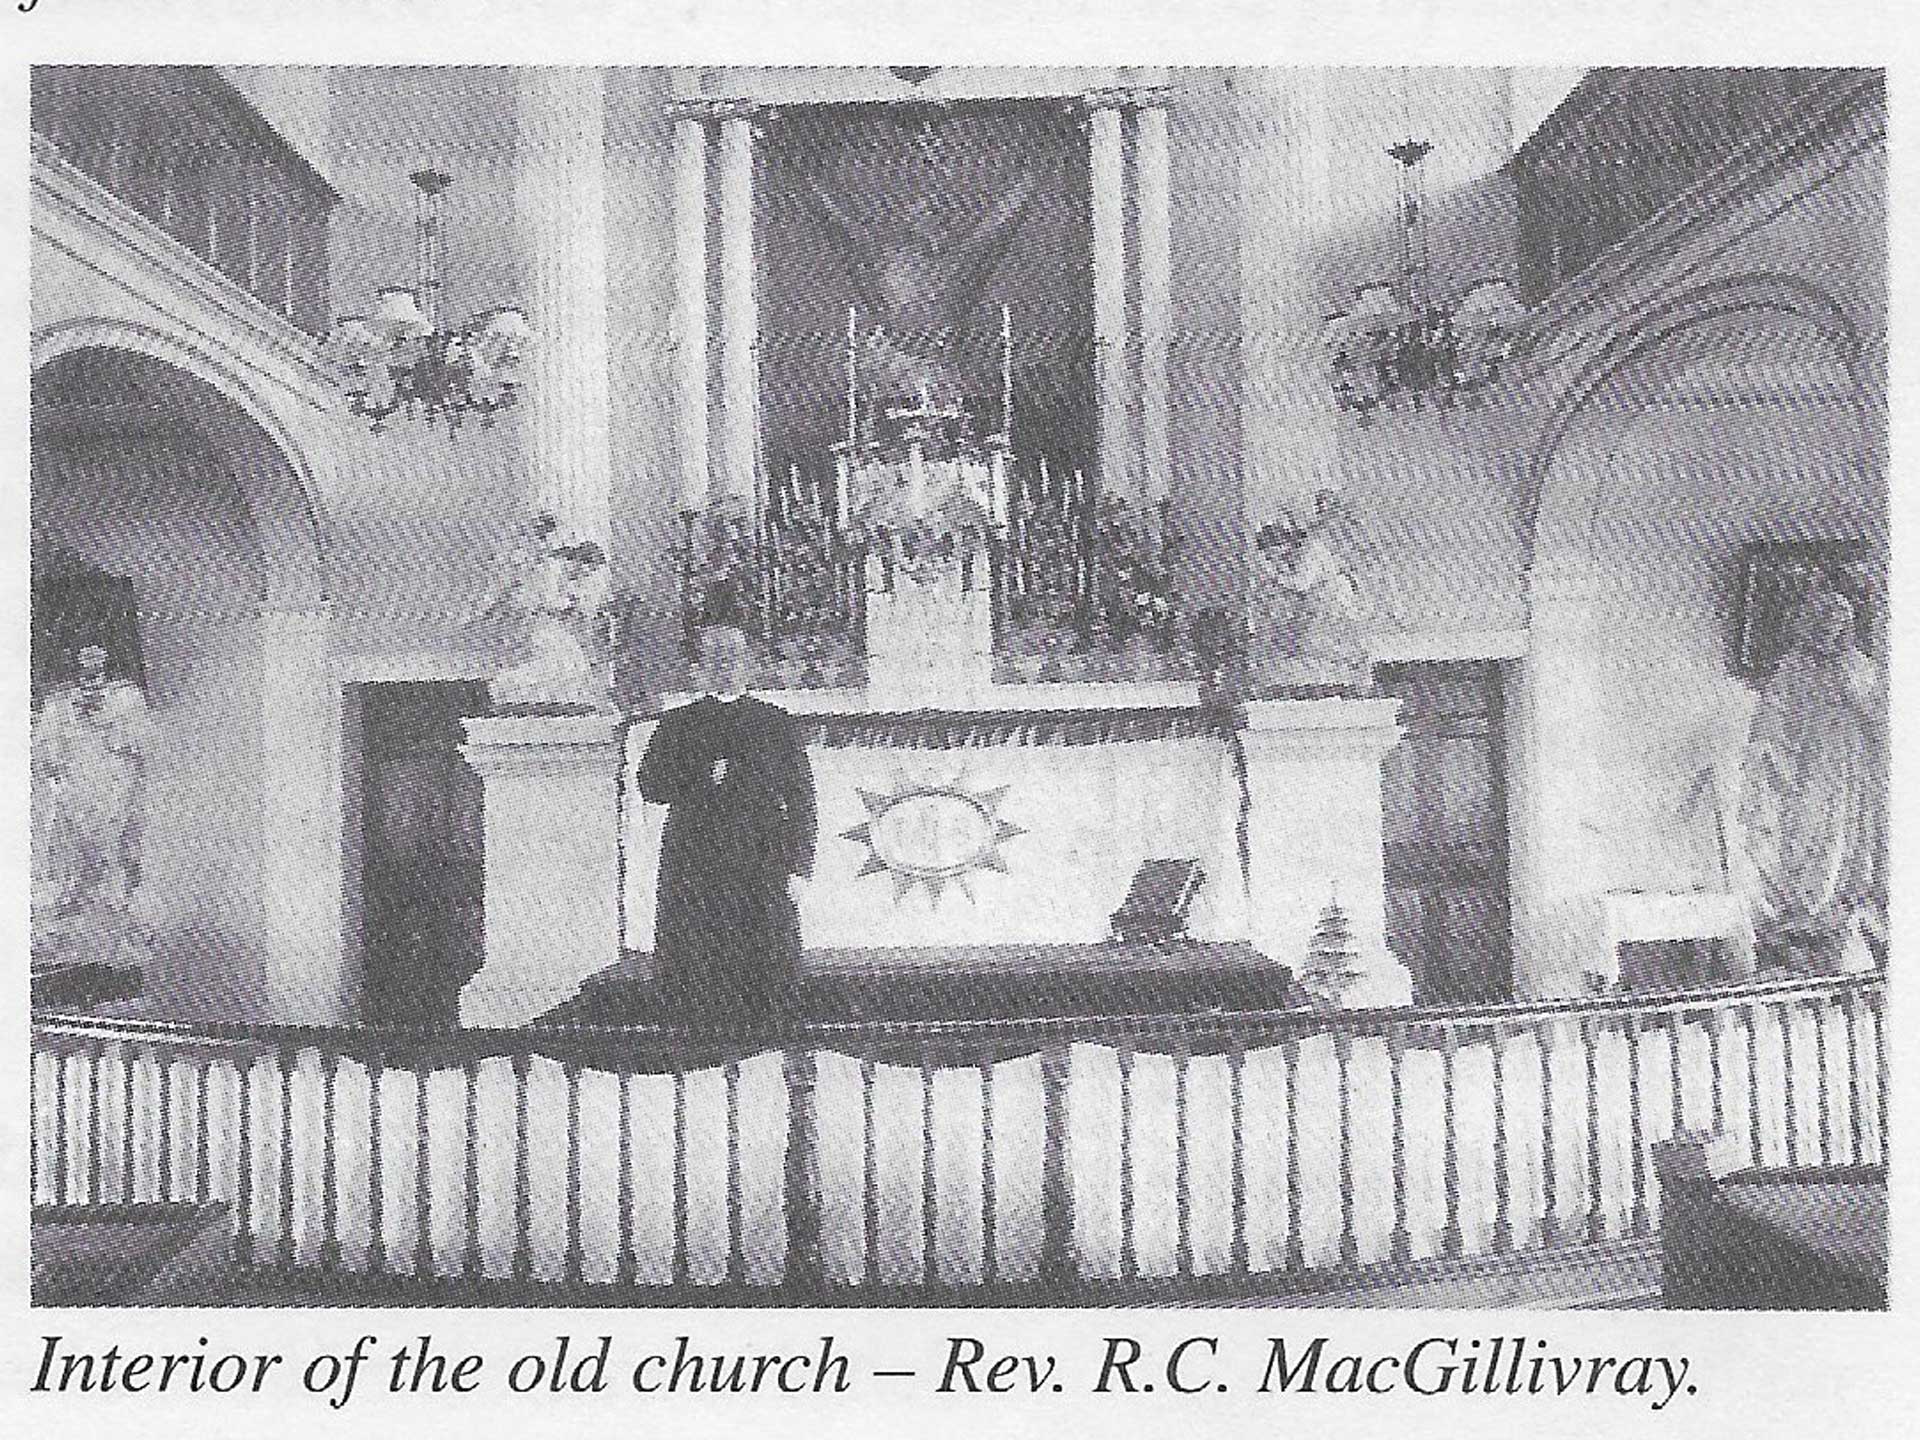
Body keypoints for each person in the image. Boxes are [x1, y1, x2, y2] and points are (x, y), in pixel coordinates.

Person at [636, 591, 818, 1027]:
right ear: (697, 666)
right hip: (696, 860)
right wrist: (700, 777)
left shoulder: (776, 721)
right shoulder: (679, 722)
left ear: (749, 662)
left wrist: (797, 864)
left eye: (733, 655)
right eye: (714, 656)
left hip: (761, 859)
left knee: (764, 960)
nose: (725, 665)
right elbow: (650, 785)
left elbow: (802, 798)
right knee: (697, 956)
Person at [1737, 583, 1886, 974]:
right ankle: (1803, 910)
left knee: (1843, 836)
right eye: (1821, 623)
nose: (1829, 632)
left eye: (1836, 625)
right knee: (1806, 835)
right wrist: (1765, 753)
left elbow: (1883, 722)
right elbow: (1769, 723)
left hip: (1848, 770)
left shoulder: (1859, 666)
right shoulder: (1793, 668)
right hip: (1805, 773)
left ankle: (1838, 910)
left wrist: (1854, 700)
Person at [32, 643, 159, 972]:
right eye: (84, 664)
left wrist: (106, 722)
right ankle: (75, 935)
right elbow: (46, 754)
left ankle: (115, 942)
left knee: (115, 853)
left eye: (98, 665)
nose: (90, 670)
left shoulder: (127, 699)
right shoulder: (59, 704)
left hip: (114, 787)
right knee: (73, 857)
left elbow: (141, 743)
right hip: (77, 790)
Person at [487, 535, 614, 714]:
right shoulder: (549, 573)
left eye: (590, 567)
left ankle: (551, 698)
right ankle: (508, 689)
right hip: (544, 628)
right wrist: (563, 607)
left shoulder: (574, 582)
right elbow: (535, 604)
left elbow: (579, 615)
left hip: (557, 629)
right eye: (586, 565)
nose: (583, 571)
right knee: (560, 662)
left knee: (572, 663)